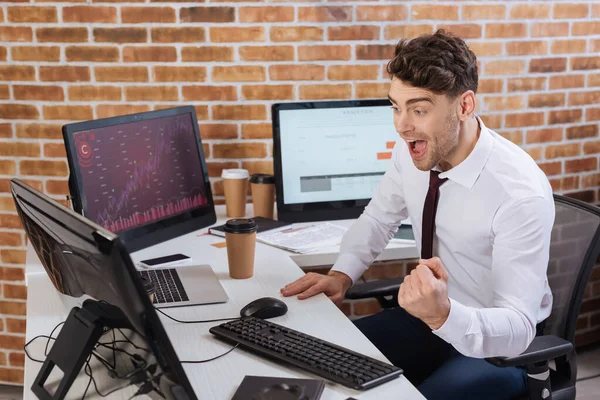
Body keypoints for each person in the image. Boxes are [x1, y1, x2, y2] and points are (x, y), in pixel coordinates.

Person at [280, 29, 554, 400]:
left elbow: (519, 326)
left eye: (419, 110)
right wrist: (342, 274)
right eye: (396, 106)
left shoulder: (518, 192)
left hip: (497, 346)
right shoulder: (411, 151)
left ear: (465, 105)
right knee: (319, 358)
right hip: (430, 322)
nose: (402, 125)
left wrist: (444, 316)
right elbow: (379, 219)